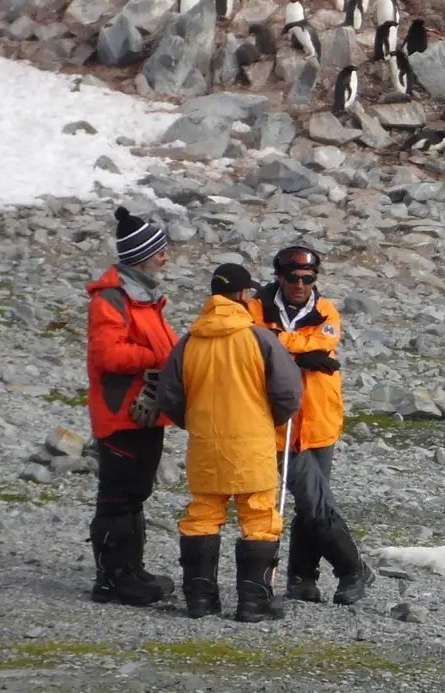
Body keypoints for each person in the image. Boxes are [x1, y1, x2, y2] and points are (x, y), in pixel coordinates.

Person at [155, 263, 303, 622]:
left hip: (206, 444)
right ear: (242, 295)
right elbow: (289, 392)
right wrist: (271, 419)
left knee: (202, 515)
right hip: (252, 443)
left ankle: (200, 600)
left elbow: (169, 396)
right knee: (259, 517)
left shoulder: (189, 340)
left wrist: (195, 424)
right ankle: (253, 603)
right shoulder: (259, 338)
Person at [249, 245, 374, 605]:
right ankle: (353, 569)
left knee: (308, 502)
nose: (300, 285)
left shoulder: (325, 309)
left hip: (320, 421)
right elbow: (255, 343)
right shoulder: (257, 308)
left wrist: (282, 347)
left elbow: (324, 338)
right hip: (278, 423)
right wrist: (303, 353)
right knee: (315, 499)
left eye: (307, 278)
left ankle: (302, 578)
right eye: (293, 278)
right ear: (279, 276)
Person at [83, 206, 178, 606]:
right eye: (160, 251)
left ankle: (131, 571)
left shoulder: (142, 298)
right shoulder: (112, 299)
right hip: (121, 413)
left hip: (143, 413)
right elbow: (108, 355)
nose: (166, 257)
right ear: (143, 255)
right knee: (118, 496)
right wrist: (154, 357)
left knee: (135, 493)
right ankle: (112, 579)